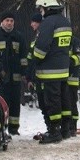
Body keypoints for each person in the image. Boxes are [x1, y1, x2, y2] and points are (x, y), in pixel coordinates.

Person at [32, 0, 72, 144]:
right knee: (64, 99)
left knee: (52, 101)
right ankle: (65, 130)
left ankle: (54, 131)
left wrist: (35, 59)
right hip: (63, 69)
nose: (40, 11)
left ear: (46, 7)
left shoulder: (48, 23)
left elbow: (42, 47)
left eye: (41, 8)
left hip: (49, 72)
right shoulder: (65, 21)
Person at [0, 10, 28, 135]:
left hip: (15, 78)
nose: (9, 23)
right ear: (2, 22)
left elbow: (24, 56)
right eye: (7, 20)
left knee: (15, 103)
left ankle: (13, 128)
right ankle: (1, 128)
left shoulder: (19, 37)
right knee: (1, 103)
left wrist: (24, 72)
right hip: (1, 78)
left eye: (11, 21)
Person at [26, 12, 48, 140]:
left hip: (44, 76)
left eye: (33, 22)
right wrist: (29, 77)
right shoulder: (36, 37)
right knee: (44, 104)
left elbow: (36, 59)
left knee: (47, 103)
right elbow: (31, 60)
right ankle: (50, 128)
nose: (31, 24)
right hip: (37, 76)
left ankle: (53, 128)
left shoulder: (42, 36)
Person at [66, 35, 80, 137]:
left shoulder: (74, 41)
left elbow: (79, 58)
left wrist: (68, 61)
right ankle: (65, 126)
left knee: (72, 103)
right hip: (61, 78)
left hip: (72, 79)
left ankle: (73, 127)